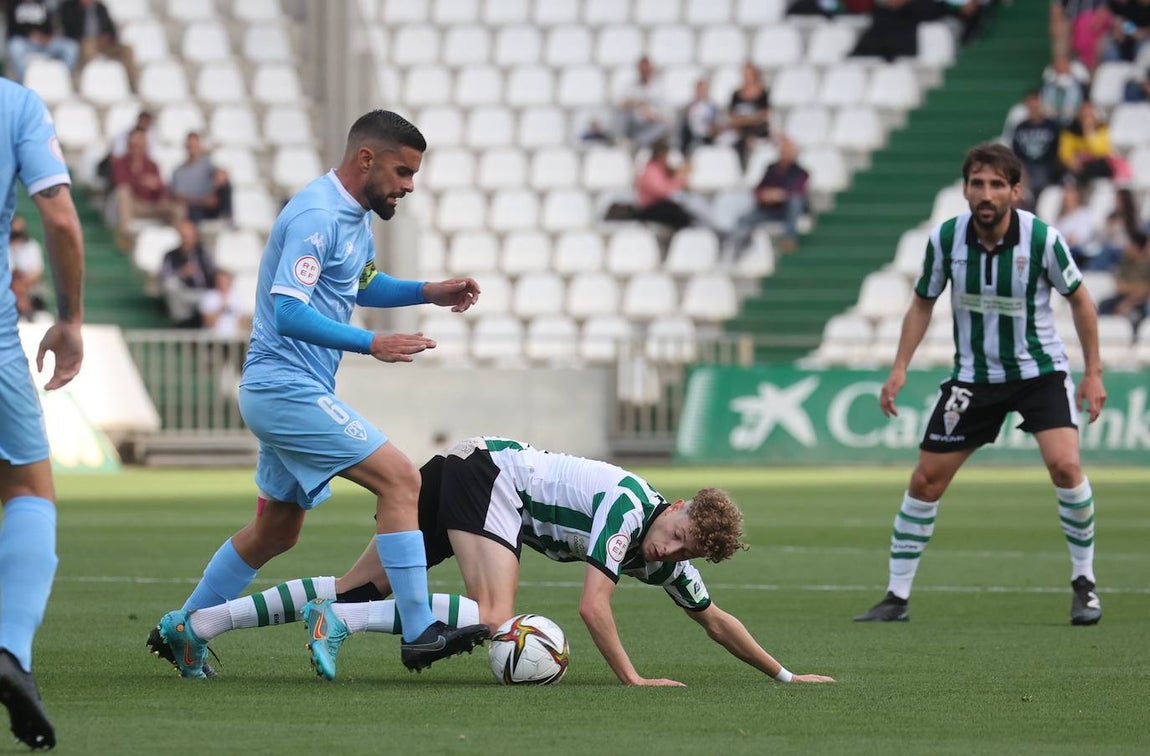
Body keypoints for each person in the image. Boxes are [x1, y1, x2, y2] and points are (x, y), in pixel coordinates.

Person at [146, 110, 488, 680]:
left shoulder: (352, 217)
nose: (408, 185)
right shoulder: (315, 214)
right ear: (366, 159)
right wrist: (370, 341)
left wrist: (429, 289)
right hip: (284, 387)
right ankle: (419, 627)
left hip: (285, 390)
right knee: (403, 479)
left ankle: (183, 627)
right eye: (403, 172)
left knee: (277, 530)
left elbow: (363, 281)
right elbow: (288, 310)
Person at [164, 437, 836, 687]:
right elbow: (590, 606)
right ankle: (341, 625)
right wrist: (632, 679)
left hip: (467, 472)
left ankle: (197, 628)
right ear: (679, 504)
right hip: (492, 482)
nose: (674, 549)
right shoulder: (632, 506)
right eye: (682, 532)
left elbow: (714, 619)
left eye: (690, 551)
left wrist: (783, 674)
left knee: (351, 584)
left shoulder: (661, 558)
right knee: (496, 615)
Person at [853, 143, 1107, 627]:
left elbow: (1081, 301)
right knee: (926, 479)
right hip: (973, 378)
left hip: (1038, 373)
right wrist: (900, 366)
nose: (985, 193)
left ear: (1015, 190)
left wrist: (1093, 372)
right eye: (977, 183)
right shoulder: (945, 239)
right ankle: (896, 596)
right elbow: (923, 301)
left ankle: (1084, 585)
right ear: (966, 189)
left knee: (1066, 466)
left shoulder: (1043, 240)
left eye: (996, 184)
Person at [0, 76, 86, 750]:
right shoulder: (17, 104)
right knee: (29, 488)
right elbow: (57, 215)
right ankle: (9, 651)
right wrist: (72, 317)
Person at [726, 135, 809, 256]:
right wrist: (765, 195)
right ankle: (735, 249)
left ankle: (790, 239)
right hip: (769, 209)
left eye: (788, 152)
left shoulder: (801, 172)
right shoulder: (771, 169)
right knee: (743, 219)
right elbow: (759, 189)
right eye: (783, 152)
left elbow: (798, 191)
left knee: (795, 201)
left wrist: (780, 195)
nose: (785, 155)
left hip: (788, 211)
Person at [110, 127, 176, 252]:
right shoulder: (120, 163)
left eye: (140, 144)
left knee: (177, 208)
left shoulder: (152, 165)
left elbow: (160, 188)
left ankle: (180, 243)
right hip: (133, 205)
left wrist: (157, 187)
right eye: (134, 144)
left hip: (151, 204)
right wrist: (142, 181)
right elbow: (121, 182)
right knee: (123, 192)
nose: (136, 147)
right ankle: (124, 238)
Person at [59, 0, 137, 91]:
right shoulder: (70, 6)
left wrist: (108, 37)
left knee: (127, 49)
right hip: (83, 43)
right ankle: (94, 83)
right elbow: (68, 30)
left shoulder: (100, 8)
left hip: (103, 43)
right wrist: (82, 9)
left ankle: (133, 85)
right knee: (88, 45)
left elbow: (111, 29)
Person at [158, 219, 216, 328]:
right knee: (170, 284)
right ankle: (182, 321)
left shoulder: (203, 254)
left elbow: (213, 273)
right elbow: (163, 278)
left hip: (201, 293)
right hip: (182, 294)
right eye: (184, 236)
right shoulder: (171, 255)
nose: (187, 239)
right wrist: (182, 273)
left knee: (212, 298)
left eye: (189, 235)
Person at [5, 0, 80, 82]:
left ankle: (61, 80)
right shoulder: (13, 4)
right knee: (15, 46)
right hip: (25, 43)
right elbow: (11, 30)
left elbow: (50, 27)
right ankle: (25, 81)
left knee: (71, 46)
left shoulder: (43, 4)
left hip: (45, 42)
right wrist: (29, 35)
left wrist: (46, 37)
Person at [1010, 90, 1062, 202]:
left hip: (1047, 168)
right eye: (1030, 105)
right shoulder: (1020, 127)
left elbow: (1057, 151)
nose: (1033, 109)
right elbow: (1016, 154)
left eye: (1036, 105)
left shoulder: (1052, 126)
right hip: (1026, 169)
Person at [170, 132, 232, 223]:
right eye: (190, 145)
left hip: (210, 206)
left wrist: (218, 181)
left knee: (226, 185)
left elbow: (223, 174)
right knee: (191, 211)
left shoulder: (207, 164)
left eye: (195, 145)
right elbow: (179, 197)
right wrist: (201, 201)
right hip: (194, 207)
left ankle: (228, 218)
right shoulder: (179, 171)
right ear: (186, 147)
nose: (193, 148)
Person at [617, 55, 671, 150]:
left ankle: (636, 143)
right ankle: (623, 140)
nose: (645, 71)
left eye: (647, 69)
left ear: (651, 70)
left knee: (665, 126)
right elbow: (622, 104)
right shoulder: (630, 86)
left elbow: (667, 114)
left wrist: (653, 115)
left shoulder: (660, 88)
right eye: (642, 69)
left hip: (652, 123)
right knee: (622, 115)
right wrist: (638, 105)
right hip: (635, 121)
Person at [727, 62, 770, 170]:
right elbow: (732, 116)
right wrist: (749, 119)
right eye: (744, 74)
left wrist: (745, 119)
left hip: (757, 129)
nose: (746, 77)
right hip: (740, 129)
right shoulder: (736, 94)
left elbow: (763, 115)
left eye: (748, 74)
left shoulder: (762, 93)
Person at [7, 214, 46, 311]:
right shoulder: (4, 246)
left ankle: (31, 313)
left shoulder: (32, 246)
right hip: (8, 284)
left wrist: (23, 283)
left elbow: (37, 271)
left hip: (28, 285)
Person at [680, 79, 721, 156]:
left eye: (703, 89)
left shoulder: (713, 106)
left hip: (708, 136)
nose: (701, 92)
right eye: (699, 90)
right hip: (692, 136)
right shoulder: (689, 107)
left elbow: (716, 123)